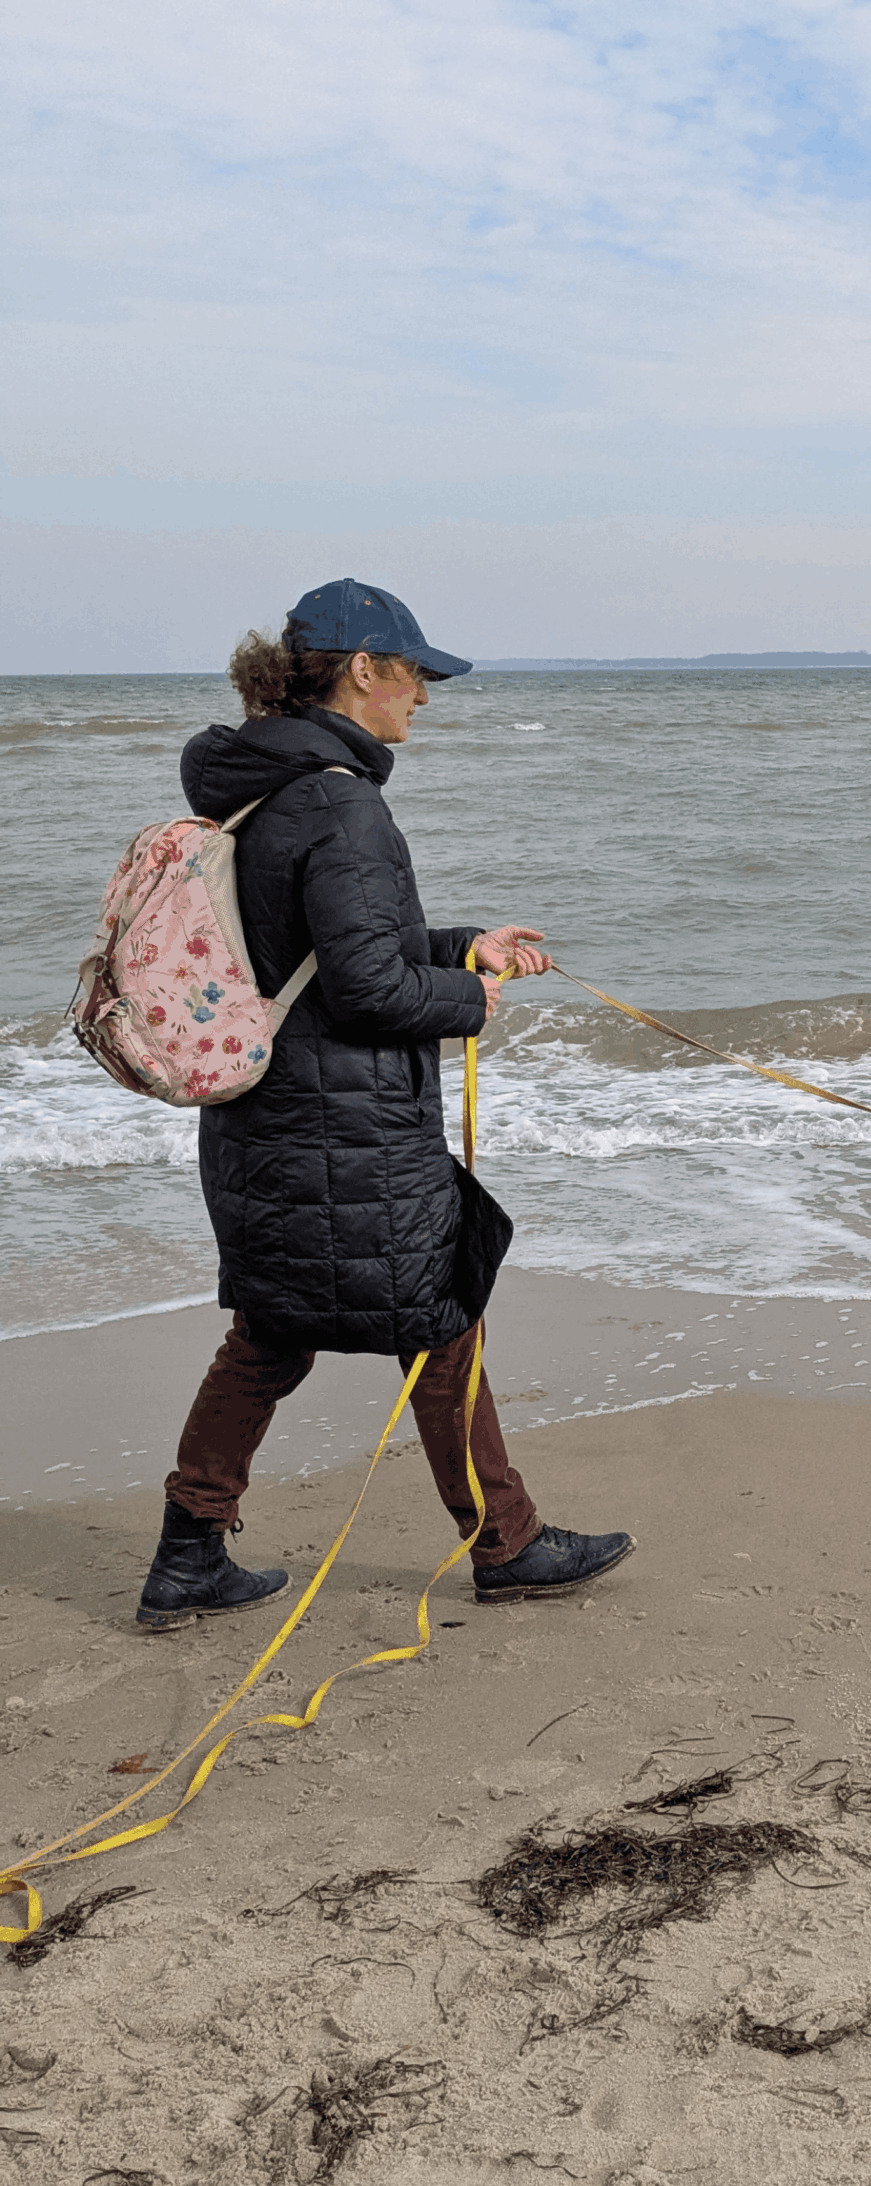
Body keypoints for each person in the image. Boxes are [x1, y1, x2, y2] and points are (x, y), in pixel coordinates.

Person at [137, 577, 633, 1628]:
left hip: (266, 1123)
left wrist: (462, 946)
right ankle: (507, 1545)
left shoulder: (264, 785)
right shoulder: (341, 801)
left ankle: (188, 1558)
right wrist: (470, 1001)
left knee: (275, 1331)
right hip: (344, 1130)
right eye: (413, 672)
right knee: (440, 1311)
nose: (424, 694)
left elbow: (321, 949)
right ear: (362, 669)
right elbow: (366, 989)